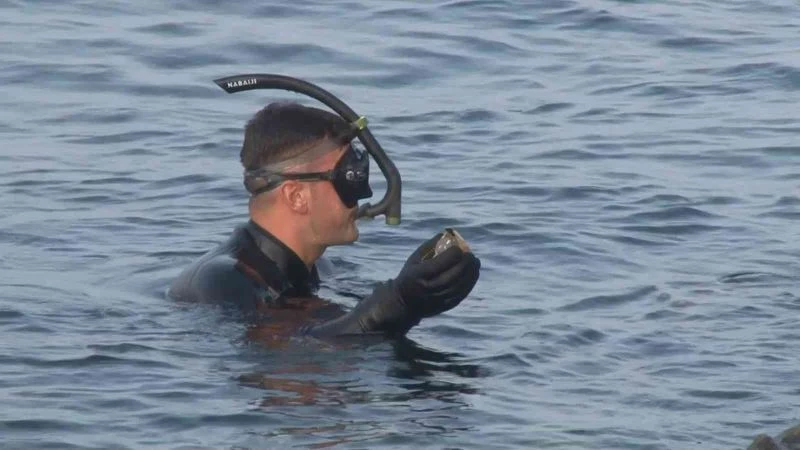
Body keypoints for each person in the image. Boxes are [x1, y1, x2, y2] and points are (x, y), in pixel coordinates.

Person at [168, 102, 481, 337]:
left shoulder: (319, 267)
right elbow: (288, 354)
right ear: (295, 196)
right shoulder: (224, 282)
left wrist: (418, 293)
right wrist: (398, 303)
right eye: (349, 178)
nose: (363, 194)